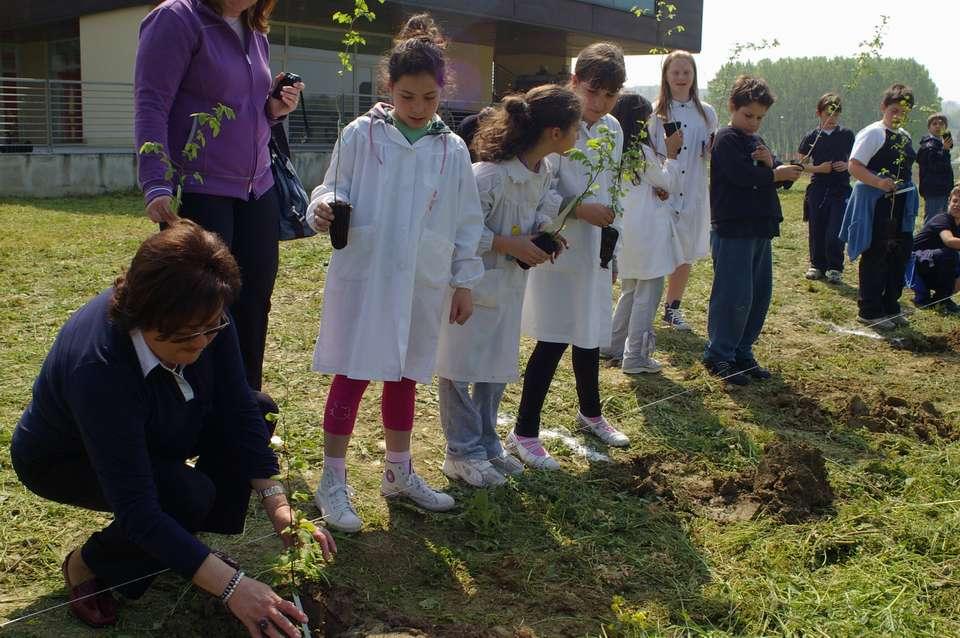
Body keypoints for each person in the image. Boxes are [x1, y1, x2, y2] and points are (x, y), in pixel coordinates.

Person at [10, 221, 335, 637]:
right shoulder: (99, 367)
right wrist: (233, 588)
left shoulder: (204, 309)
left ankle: (184, 551)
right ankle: (87, 563)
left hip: (151, 422)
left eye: (211, 328)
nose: (201, 343)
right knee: (182, 496)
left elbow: (238, 408)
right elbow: (138, 509)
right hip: (67, 455)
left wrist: (279, 506)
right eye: (184, 338)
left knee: (257, 408)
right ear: (143, 315)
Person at [304, 14, 483, 531]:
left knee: (406, 373)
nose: (418, 108)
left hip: (421, 282)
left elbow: (467, 221)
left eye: (429, 98)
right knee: (354, 369)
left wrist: (464, 280)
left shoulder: (450, 149)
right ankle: (332, 479)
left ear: (441, 92)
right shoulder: (362, 136)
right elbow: (331, 187)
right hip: (369, 275)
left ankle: (398, 471)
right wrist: (326, 205)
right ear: (389, 88)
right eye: (408, 97)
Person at [135, 0, 304, 391]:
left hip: (258, 188)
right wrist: (155, 180)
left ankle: (246, 408)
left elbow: (249, 109)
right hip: (199, 187)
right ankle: (199, 408)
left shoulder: (255, 28)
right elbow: (150, 102)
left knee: (254, 303)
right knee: (202, 310)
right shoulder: (176, 19)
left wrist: (274, 109)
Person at [435, 85, 581, 487]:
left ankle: (485, 442)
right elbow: (459, 229)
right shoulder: (490, 176)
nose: (579, 135)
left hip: (508, 285)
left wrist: (543, 239)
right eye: (575, 127)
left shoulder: (544, 172)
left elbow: (534, 218)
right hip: (471, 284)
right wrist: (506, 243)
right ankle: (460, 451)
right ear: (554, 132)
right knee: (460, 365)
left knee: (494, 365)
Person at [509, 42, 630, 471]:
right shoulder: (558, 125)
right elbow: (543, 185)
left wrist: (611, 248)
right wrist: (579, 209)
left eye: (609, 95)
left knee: (589, 331)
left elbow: (612, 188)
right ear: (574, 82)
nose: (598, 104)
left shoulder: (613, 130)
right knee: (555, 333)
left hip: (595, 248)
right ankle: (524, 430)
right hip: (560, 244)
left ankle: (590, 411)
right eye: (592, 92)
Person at [703, 75, 802, 385]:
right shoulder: (725, 138)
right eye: (748, 115)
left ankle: (743, 352)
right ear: (733, 107)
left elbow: (770, 175)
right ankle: (719, 354)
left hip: (760, 227)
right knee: (734, 294)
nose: (754, 123)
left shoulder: (757, 142)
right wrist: (773, 172)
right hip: (733, 228)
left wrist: (781, 168)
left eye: (760, 117)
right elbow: (741, 176)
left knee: (758, 294)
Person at [602, 93, 683, 374]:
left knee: (630, 290)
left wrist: (656, 186)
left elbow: (651, 185)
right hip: (648, 233)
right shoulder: (642, 152)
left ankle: (612, 344)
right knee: (646, 295)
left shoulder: (615, 150)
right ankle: (636, 356)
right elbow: (668, 182)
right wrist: (672, 155)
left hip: (626, 231)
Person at [648, 51, 718, 332]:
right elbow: (650, 153)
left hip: (693, 190)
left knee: (685, 250)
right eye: (675, 72)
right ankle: (645, 307)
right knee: (657, 248)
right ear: (666, 76)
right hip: (664, 187)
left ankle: (672, 307)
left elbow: (709, 152)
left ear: (694, 76)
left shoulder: (707, 112)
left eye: (686, 72)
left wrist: (711, 149)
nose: (680, 78)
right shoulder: (656, 112)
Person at [840, 84, 919, 330]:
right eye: (894, 110)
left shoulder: (904, 136)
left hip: (901, 202)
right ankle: (870, 309)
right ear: (884, 107)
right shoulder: (874, 133)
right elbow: (854, 165)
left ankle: (890, 305)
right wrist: (879, 182)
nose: (898, 116)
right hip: (877, 203)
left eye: (903, 112)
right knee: (877, 253)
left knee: (899, 252)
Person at [798, 93, 855, 284]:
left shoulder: (847, 135)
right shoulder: (812, 137)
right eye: (828, 115)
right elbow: (799, 164)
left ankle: (835, 267)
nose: (832, 119)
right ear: (819, 113)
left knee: (835, 230)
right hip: (818, 189)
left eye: (836, 115)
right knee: (817, 228)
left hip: (841, 188)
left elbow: (857, 161)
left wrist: (847, 165)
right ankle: (816, 265)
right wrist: (818, 169)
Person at [909, 184, 960, 314]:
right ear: (949, 201)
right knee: (950, 254)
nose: (957, 205)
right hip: (914, 264)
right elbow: (949, 241)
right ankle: (939, 299)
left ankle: (944, 298)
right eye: (955, 201)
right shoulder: (942, 219)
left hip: (935, 264)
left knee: (951, 257)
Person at [917, 113, 955, 222]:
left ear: (945, 127)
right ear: (929, 127)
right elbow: (935, 167)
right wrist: (945, 150)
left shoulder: (939, 144)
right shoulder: (928, 146)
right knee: (933, 220)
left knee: (942, 221)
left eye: (941, 124)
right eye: (934, 124)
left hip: (943, 189)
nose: (938, 126)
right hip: (934, 190)